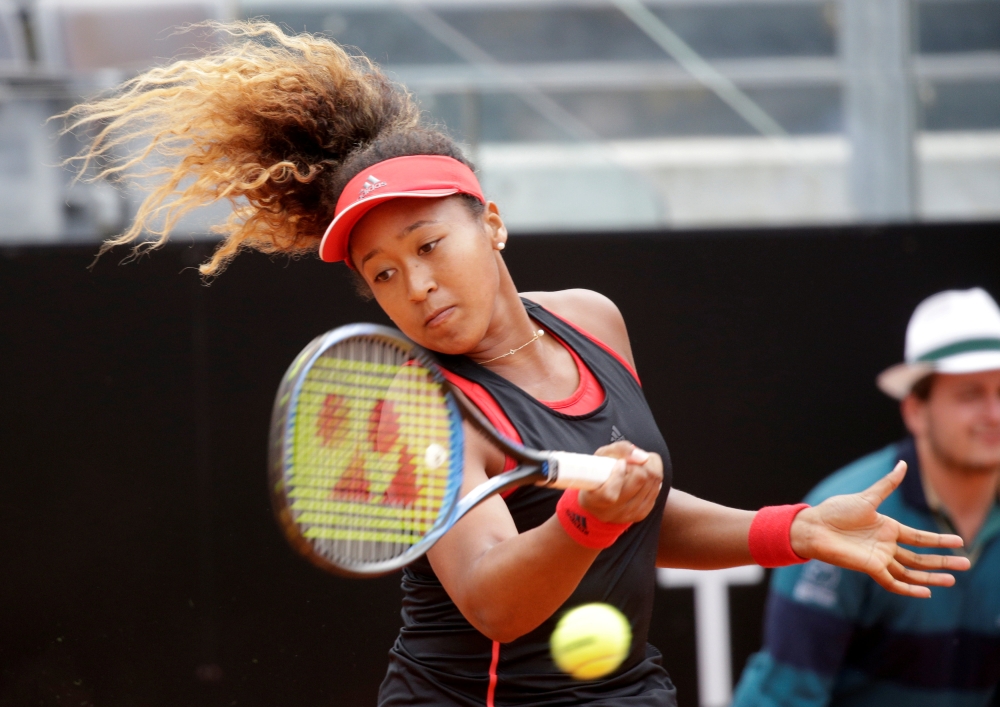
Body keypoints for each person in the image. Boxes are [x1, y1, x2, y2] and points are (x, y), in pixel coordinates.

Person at [60, 21, 971, 707]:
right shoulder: (419, 404)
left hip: (626, 690)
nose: (413, 283)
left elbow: (641, 507)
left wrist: (793, 529)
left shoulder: (591, 321)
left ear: (489, 222)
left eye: (427, 244)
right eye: (382, 272)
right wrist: (583, 518)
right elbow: (496, 601)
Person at [732, 287, 1000, 707]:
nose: (994, 414)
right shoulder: (845, 516)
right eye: (970, 394)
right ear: (915, 411)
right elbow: (784, 698)